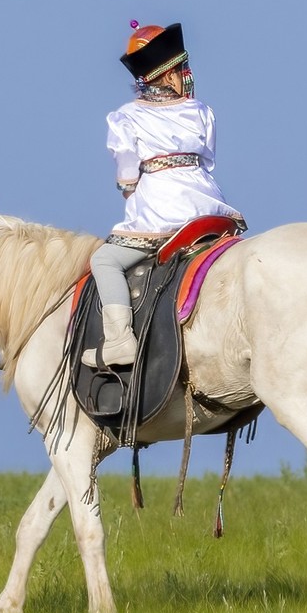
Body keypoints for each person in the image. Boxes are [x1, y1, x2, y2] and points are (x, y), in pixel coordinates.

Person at [82, 21, 246, 368]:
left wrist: (130, 190)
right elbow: (209, 160)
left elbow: (127, 170)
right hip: (210, 205)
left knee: (104, 260)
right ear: (174, 73)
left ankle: (119, 341)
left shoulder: (125, 118)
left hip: (161, 210)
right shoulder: (202, 111)